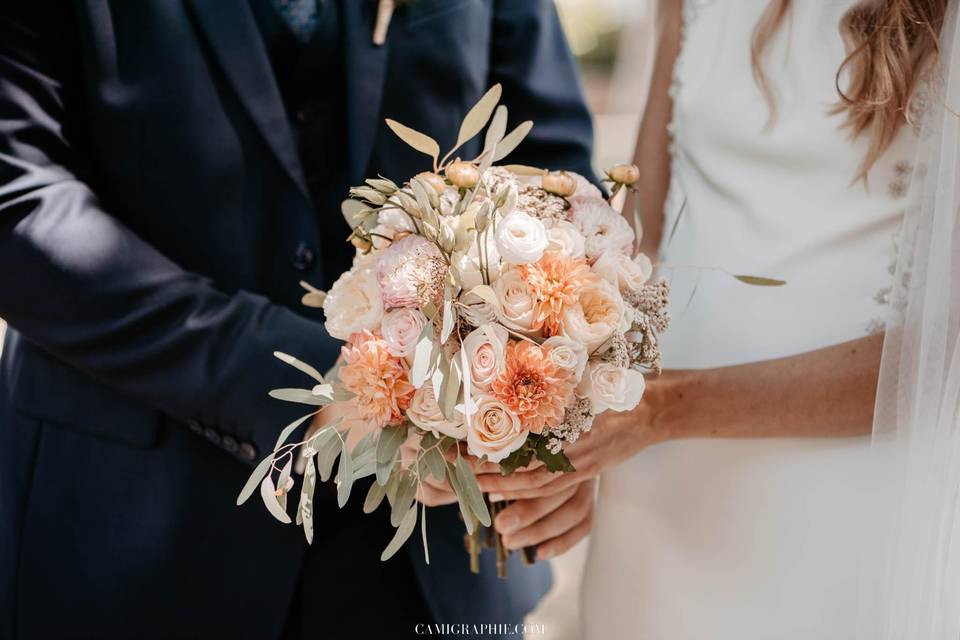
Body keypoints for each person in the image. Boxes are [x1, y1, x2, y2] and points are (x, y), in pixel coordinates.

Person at [0, 1, 597, 638]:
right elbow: (18, 198)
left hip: (436, 549)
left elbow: (553, 172)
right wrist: (308, 374)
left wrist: (549, 421)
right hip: (132, 524)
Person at [476, 0, 960, 637]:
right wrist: (583, 418)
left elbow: (944, 355)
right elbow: (641, 242)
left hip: (852, 495)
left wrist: (661, 410)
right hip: (657, 490)